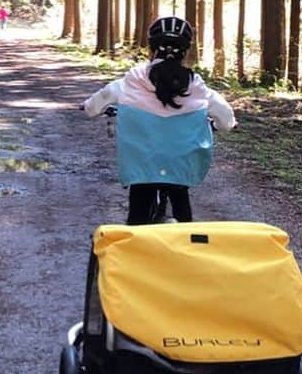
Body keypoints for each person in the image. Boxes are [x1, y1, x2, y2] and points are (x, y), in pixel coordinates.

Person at [82, 16, 236, 225]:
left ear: (151, 48)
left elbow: (93, 108)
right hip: (181, 166)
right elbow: (227, 122)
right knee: (182, 209)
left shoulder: (131, 81)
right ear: (186, 51)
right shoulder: (197, 86)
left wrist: (89, 107)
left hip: (142, 167)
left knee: (136, 218)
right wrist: (217, 125)